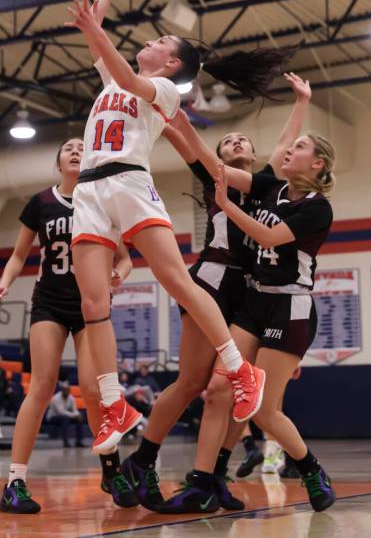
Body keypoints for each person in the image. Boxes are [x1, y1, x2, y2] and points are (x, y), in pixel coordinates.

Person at [64, 0, 294, 455]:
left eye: (162, 39)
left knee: (177, 281)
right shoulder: (112, 82)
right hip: (89, 192)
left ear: (171, 64)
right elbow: (98, 20)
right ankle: (114, 405)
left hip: (128, 181)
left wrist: (93, 29)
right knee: (92, 305)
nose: (151, 40)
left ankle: (237, 368)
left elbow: (117, 60)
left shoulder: (165, 91)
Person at [122, 72, 311, 511]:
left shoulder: (267, 183)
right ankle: (143, 459)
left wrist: (301, 102)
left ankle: (212, 476)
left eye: (245, 139)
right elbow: (178, 134)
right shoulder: (215, 174)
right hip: (211, 277)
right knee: (191, 382)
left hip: (246, 291)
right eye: (230, 140)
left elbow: (286, 142)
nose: (238, 142)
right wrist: (165, 110)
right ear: (220, 153)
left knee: (226, 392)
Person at [161, 132, 337, 513]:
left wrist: (226, 204)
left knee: (263, 409)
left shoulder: (319, 208)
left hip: (290, 307)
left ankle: (310, 468)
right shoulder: (271, 187)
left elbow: (270, 238)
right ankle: (206, 481)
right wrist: (173, 119)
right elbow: (218, 168)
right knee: (221, 390)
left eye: (300, 147)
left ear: (317, 163)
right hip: (253, 304)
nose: (290, 149)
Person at [0, 136, 135, 514]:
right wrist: (4, 283)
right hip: (50, 302)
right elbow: (19, 255)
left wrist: (117, 274)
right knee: (41, 385)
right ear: (58, 163)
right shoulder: (41, 202)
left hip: (91, 307)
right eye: (67, 147)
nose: (75, 151)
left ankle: (111, 470)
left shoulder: (101, 201)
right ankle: (15, 482)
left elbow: (125, 259)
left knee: (93, 388)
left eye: (81, 148)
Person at [46, 383, 85, 448]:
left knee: (79, 419)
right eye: (65, 390)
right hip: (53, 417)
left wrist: (77, 415)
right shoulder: (56, 398)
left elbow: (74, 409)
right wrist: (74, 415)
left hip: (66, 416)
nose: (66, 391)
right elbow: (61, 412)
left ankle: (78, 442)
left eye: (68, 390)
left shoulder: (71, 398)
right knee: (65, 419)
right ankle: (65, 442)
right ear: (62, 390)